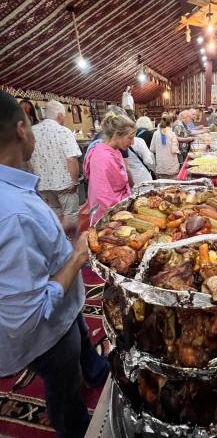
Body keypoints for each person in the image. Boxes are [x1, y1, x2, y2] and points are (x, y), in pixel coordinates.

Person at [0, 91, 108, 438]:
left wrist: (57, 230)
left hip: (66, 308)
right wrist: (77, 258)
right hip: (46, 336)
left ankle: (95, 370)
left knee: (81, 340)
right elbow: (26, 316)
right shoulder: (12, 211)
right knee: (65, 396)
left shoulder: (13, 188)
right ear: (21, 129)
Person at [30, 100, 82, 225]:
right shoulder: (63, 131)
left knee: (54, 212)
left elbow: (27, 159)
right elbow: (71, 159)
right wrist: (75, 181)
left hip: (42, 184)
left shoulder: (31, 131)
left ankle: (59, 239)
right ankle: (72, 242)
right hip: (64, 185)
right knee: (70, 214)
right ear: (59, 115)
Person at [84, 113, 135, 223]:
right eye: (130, 138)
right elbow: (102, 197)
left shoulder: (112, 150)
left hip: (116, 210)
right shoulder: (104, 158)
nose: (133, 143)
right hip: (108, 218)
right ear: (117, 134)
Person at [150, 113, 180, 178]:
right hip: (171, 165)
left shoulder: (156, 133)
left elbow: (152, 149)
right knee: (172, 186)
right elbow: (174, 150)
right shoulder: (172, 134)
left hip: (160, 165)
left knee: (162, 186)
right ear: (171, 123)